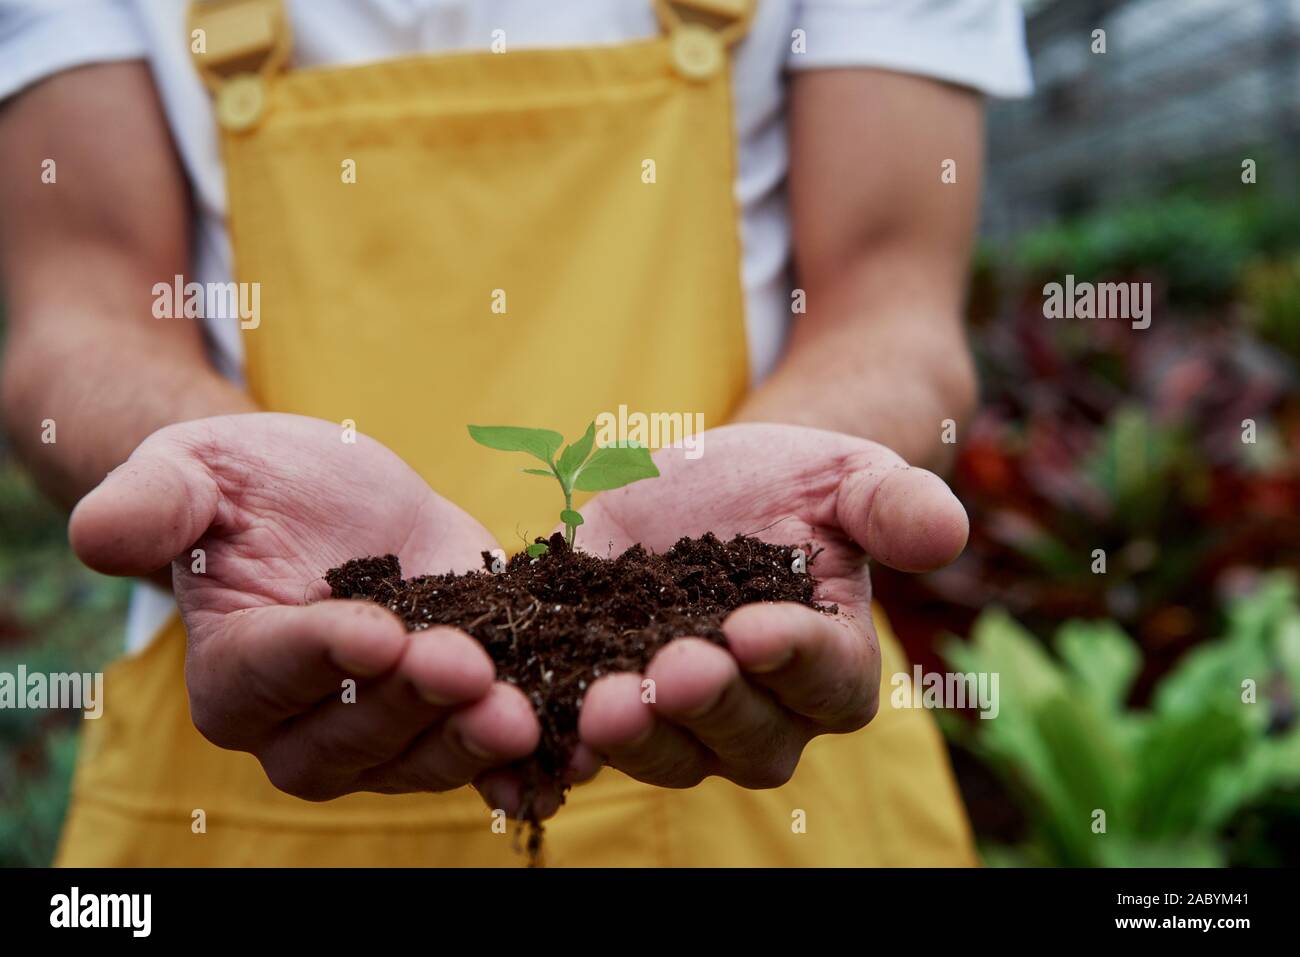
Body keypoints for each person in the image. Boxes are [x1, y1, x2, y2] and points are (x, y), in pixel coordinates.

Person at [0, 0, 1031, 866]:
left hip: (768, 770)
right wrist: (226, 491)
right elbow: (78, 316)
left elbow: (891, 305)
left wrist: (769, 538)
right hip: (254, 729)